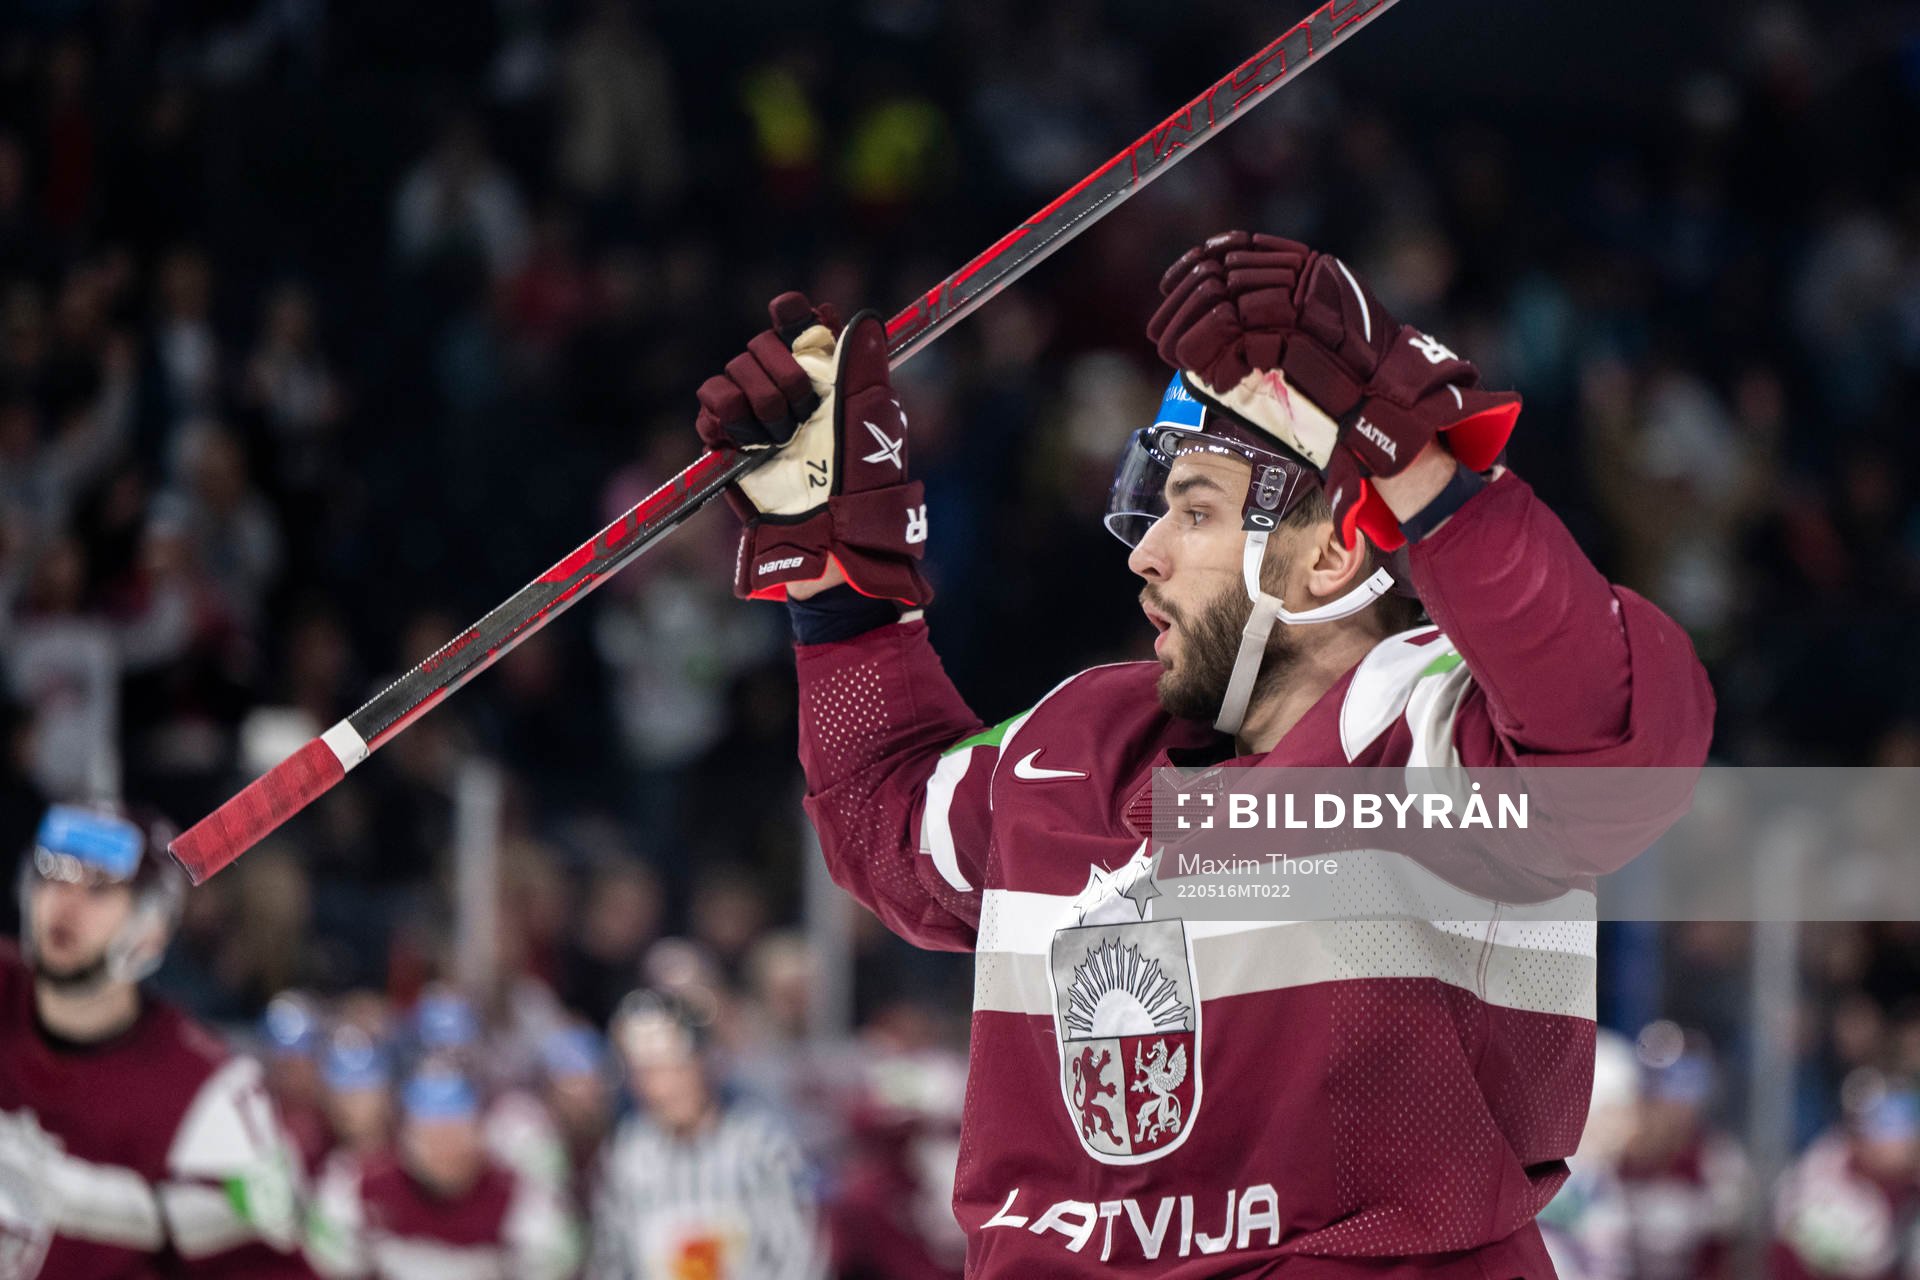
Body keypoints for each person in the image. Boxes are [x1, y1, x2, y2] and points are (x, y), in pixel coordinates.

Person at [686, 234, 1715, 1276]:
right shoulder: (1076, 739)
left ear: (1331, 550)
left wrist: (1413, 458)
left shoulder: (1434, 724)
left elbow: (1613, 732)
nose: (1146, 552)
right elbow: (888, 817)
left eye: (1197, 511)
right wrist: (840, 592)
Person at [0, 802, 310, 1277]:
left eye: (99, 888)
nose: (65, 904)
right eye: (53, 876)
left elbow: (273, 1262)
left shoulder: (208, 1091)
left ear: (151, 931)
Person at [587, 990, 826, 1280]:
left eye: (674, 1067)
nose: (662, 1088)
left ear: (703, 1062)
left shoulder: (760, 1146)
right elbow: (610, 1263)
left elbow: (798, 1259)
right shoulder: (627, 1157)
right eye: (647, 1074)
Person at [305, 1065, 578, 1280]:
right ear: (407, 1140)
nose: (445, 1152)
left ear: (479, 1136)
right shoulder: (359, 1185)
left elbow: (553, 1267)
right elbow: (333, 1262)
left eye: (455, 1135)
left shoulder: (519, 1197)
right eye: (432, 1138)